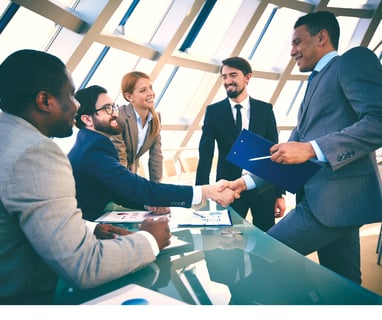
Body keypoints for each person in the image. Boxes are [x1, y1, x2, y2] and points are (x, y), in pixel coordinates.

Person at [0, 49, 174, 304]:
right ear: (44, 101)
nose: (76, 104)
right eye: (70, 95)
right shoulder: (36, 153)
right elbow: (84, 266)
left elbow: (22, 219)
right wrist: (150, 240)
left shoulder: (9, 140)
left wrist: (90, 228)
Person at [224, 11, 382, 284]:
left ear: (322, 38)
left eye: (297, 42)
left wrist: (312, 149)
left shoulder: (352, 61)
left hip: (330, 203)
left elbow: (378, 120)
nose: (292, 52)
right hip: (332, 206)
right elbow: (287, 151)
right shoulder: (315, 81)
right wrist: (245, 182)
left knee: (260, 256)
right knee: (343, 285)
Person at [68, 85, 238, 222]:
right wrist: (207, 191)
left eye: (113, 106)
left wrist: (147, 205)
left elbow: (116, 189)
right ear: (87, 119)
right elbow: (137, 187)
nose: (115, 113)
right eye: (107, 109)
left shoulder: (91, 143)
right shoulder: (94, 149)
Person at [195, 56, 285, 231]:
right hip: (228, 188)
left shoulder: (265, 110)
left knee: (265, 245)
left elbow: (275, 152)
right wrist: (201, 192)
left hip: (263, 187)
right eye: (224, 76)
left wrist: (279, 194)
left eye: (233, 75)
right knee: (226, 242)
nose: (228, 81)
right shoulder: (213, 112)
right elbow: (205, 153)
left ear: (247, 77)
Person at [110, 71, 163, 182]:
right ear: (129, 97)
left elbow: (156, 156)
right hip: (112, 176)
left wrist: (157, 189)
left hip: (130, 174)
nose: (150, 93)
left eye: (150, 88)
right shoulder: (119, 117)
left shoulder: (155, 118)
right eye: (143, 90)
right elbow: (121, 158)